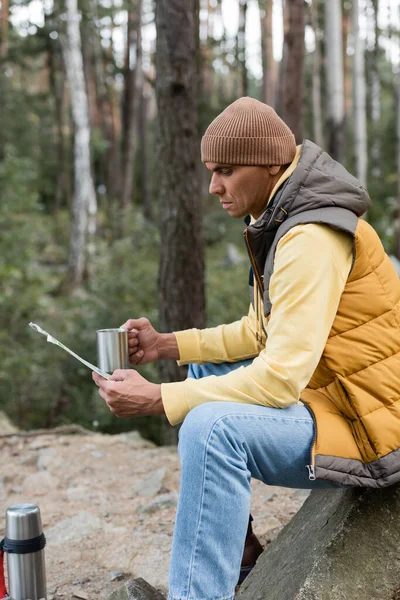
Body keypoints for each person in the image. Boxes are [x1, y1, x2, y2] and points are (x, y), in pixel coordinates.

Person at [92, 97, 400, 600]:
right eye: (212, 172)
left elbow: (279, 379)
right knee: (204, 371)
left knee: (210, 429)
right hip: (339, 397)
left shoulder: (311, 235)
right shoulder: (284, 217)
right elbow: (260, 333)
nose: (214, 186)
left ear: (270, 164)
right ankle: (239, 557)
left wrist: (157, 399)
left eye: (226, 171)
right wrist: (166, 345)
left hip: (373, 427)